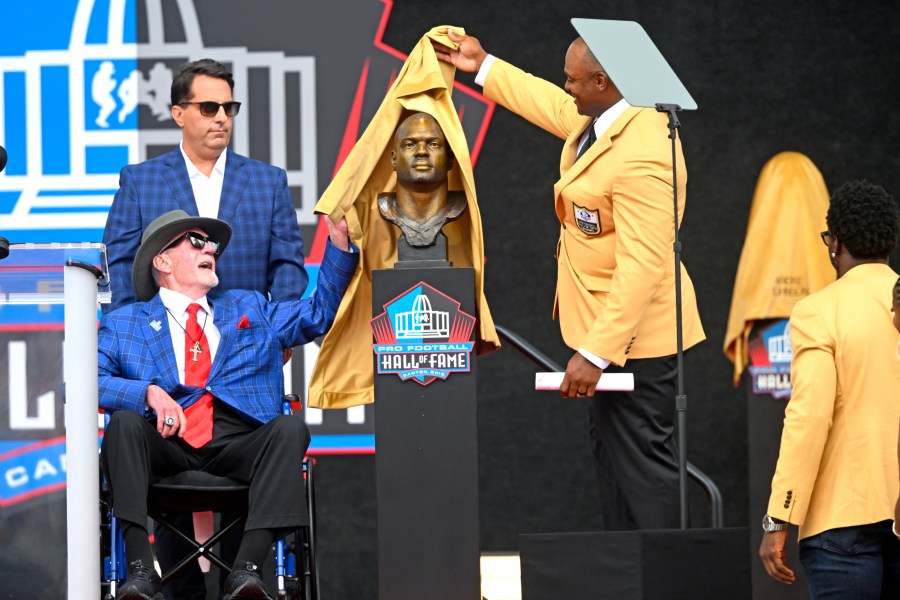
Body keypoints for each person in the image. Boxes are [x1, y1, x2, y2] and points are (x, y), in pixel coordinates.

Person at [435, 31, 705, 530]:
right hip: (613, 335)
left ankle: (669, 577)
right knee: (618, 474)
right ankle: (633, 576)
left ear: (603, 81)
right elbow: (547, 102)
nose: (568, 88)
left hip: (638, 343)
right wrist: (482, 64)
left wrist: (596, 353)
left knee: (645, 476)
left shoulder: (644, 150)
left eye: (575, 79)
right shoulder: (601, 119)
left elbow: (643, 263)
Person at [102, 58, 308, 599]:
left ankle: (244, 578)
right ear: (178, 113)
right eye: (209, 107)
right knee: (159, 466)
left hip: (243, 369)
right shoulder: (141, 180)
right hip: (165, 361)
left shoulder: (266, 181)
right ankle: (172, 589)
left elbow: (289, 266)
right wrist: (137, 350)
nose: (222, 118)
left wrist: (276, 337)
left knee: (249, 464)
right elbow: (124, 268)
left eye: (230, 108)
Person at [100, 209, 357, 600]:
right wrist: (146, 393)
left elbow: (319, 312)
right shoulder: (126, 323)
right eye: (198, 242)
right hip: (166, 444)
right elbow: (83, 382)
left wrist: (338, 247)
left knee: (290, 428)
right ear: (163, 260)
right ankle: (139, 570)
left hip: (239, 441)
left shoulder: (249, 307)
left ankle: (247, 571)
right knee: (123, 425)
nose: (212, 250)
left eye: (214, 244)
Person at [759, 180, 900, 597]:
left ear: (834, 243)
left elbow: (808, 419)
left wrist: (777, 519)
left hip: (842, 522)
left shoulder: (817, 311)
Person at [377, 111, 467, 247]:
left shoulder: (460, 204)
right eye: (409, 144)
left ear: (450, 159)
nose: (421, 151)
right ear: (394, 159)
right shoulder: (385, 207)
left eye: (433, 144)